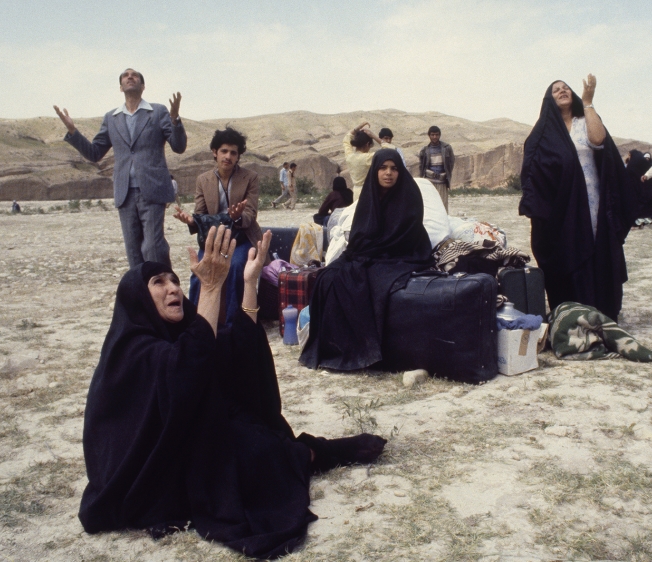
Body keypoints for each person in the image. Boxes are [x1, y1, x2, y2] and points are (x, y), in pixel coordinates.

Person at [79, 224, 387, 559]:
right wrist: (210, 286)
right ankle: (314, 455)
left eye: (175, 281)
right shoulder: (132, 352)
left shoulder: (173, 336)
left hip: (179, 452)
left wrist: (249, 283)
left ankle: (309, 453)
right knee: (250, 452)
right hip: (146, 478)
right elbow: (188, 365)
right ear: (137, 298)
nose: (173, 289)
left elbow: (230, 346)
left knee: (246, 431)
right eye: (158, 283)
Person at [300, 150, 433, 371]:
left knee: (365, 281)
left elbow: (403, 236)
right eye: (383, 168)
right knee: (328, 277)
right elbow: (361, 234)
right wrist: (358, 253)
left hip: (401, 254)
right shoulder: (369, 197)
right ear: (375, 171)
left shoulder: (409, 195)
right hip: (369, 252)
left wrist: (370, 253)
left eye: (394, 168)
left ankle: (366, 352)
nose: (388, 173)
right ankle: (334, 348)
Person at [519, 76, 635, 321]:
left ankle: (601, 307)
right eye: (555, 90)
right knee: (566, 248)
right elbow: (533, 168)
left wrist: (589, 102)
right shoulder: (543, 133)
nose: (562, 91)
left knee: (595, 246)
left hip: (592, 201)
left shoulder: (586, 121)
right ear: (549, 100)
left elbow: (599, 140)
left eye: (565, 89)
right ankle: (570, 308)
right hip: (561, 206)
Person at [54, 68, 186, 268]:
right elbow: (94, 153)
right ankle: (138, 296)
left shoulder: (158, 112)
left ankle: (164, 291)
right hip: (125, 193)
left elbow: (179, 146)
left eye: (134, 75)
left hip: (153, 190)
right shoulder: (111, 118)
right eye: (126, 76)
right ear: (121, 87)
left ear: (142, 86)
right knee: (133, 252)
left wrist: (174, 119)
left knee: (152, 247)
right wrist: (74, 132)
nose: (130, 77)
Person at [172, 127, 260, 328]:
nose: (228, 156)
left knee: (237, 267)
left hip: (241, 238)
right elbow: (200, 215)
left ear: (238, 156)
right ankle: (195, 324)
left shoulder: (250, 177)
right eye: (224, 151)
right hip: (214, 240)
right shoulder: (203, 180)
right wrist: (192, 221)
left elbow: (250, 214)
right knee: (199, 271)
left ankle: (231, 325)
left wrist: (237, 218)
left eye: (233, 152)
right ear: (215, 152)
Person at [343, 122, 395, 201]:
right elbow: (390, 149)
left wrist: (358, 127)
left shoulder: (349, 156)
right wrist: (373, 135)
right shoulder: (368, 157)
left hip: (356, 192)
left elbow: (346, 139)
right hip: (369, 192)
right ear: (367, 144)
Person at [418, 125, 455, 211]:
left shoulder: (447, 148)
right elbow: (421, 166)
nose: (435, 137)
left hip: (442, 182)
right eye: (432, 135)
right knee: (430, 207)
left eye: (437, 135)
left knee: (442, 207)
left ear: (439, 135)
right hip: (429, 182)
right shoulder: (425, 150)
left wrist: (446, 174)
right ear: (429, 135)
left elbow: (451, 162)